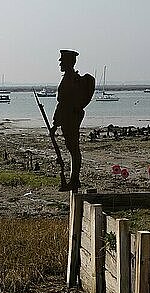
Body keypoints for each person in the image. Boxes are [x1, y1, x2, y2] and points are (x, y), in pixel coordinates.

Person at [52, 49, 93, 191]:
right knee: (72, 148)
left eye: (62, 61)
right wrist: (56, 123)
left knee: (73, 149)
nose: (60, 63)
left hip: (70, 118)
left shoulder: (70, 79)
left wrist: (55, 123)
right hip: (68, 117)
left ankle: (74, 180)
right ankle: (73, 179)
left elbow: (63, 103)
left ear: (69, 62)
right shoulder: (69, 78)